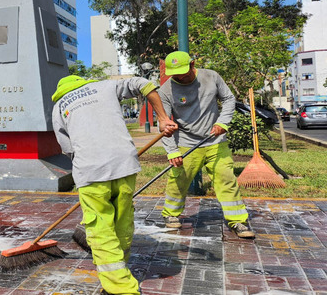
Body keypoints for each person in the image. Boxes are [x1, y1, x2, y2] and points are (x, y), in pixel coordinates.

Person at [51, 75, 177, 295]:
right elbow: (144, 84)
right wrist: (163, 118)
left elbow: (67, 147)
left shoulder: (59, 106)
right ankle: (120, 268)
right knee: (122, 219)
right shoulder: (106, 86)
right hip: (124, 164)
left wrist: (86, 166)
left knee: (100, 229)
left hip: (90, 171)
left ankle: (120, 288)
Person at [158, 51, 255, 239]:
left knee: (226, 177)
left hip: (215, 140)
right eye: (175, 74)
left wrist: (222, 122)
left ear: (193, 64)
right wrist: (171, 151)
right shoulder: (165, 91)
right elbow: (164, 124)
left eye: (183, 72)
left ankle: (238, 221)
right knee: (178, 180)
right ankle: (170, 215)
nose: (180, 77)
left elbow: (228, 99)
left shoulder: (211, 76)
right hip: (185, 143)